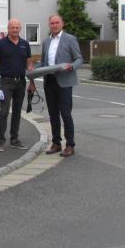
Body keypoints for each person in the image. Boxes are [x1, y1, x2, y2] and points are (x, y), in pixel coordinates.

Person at [39, 14, 83, 157]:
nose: (55, 25)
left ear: (62, 24)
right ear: (49, 25)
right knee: (53, 114)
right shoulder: (46, 42)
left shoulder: (70, 39)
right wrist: (33, 69)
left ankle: (70, 145)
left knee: (65, 114)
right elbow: (44, 63)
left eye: (57, 23)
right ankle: (56, 143)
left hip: (64, 82)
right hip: (49, 81)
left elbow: (79, 59)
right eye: (52, 23)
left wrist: (72, 66)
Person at [0, 18, 35, 152]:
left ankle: (14, 139)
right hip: (6, 82)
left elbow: (29, 65)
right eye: (12, 27)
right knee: (4, 111)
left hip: (21, 81)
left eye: (17, 27)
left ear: (20, 29)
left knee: (17, 112)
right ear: (8, 29)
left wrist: (32, 82)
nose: (15, 29)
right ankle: (0, 140)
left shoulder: (25, 44)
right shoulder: (0, 44)